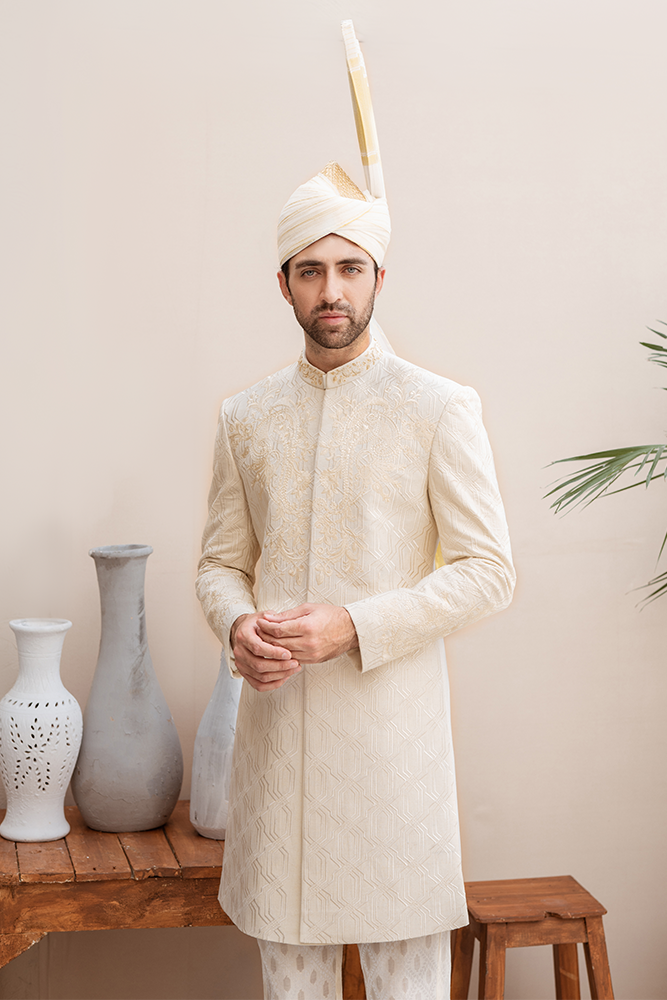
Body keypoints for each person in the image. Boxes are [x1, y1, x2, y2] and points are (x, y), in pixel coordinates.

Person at [196, 159, 515, 1000]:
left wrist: (354, 626)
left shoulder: (437, 406)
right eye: (310, 271)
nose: (330, 290)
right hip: (276, 761)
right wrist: (236, 626)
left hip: (391, 765)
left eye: (348, 268)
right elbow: (220, 565)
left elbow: (488, 571)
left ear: (379, 277)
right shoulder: (245, 417)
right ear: (283, 285)